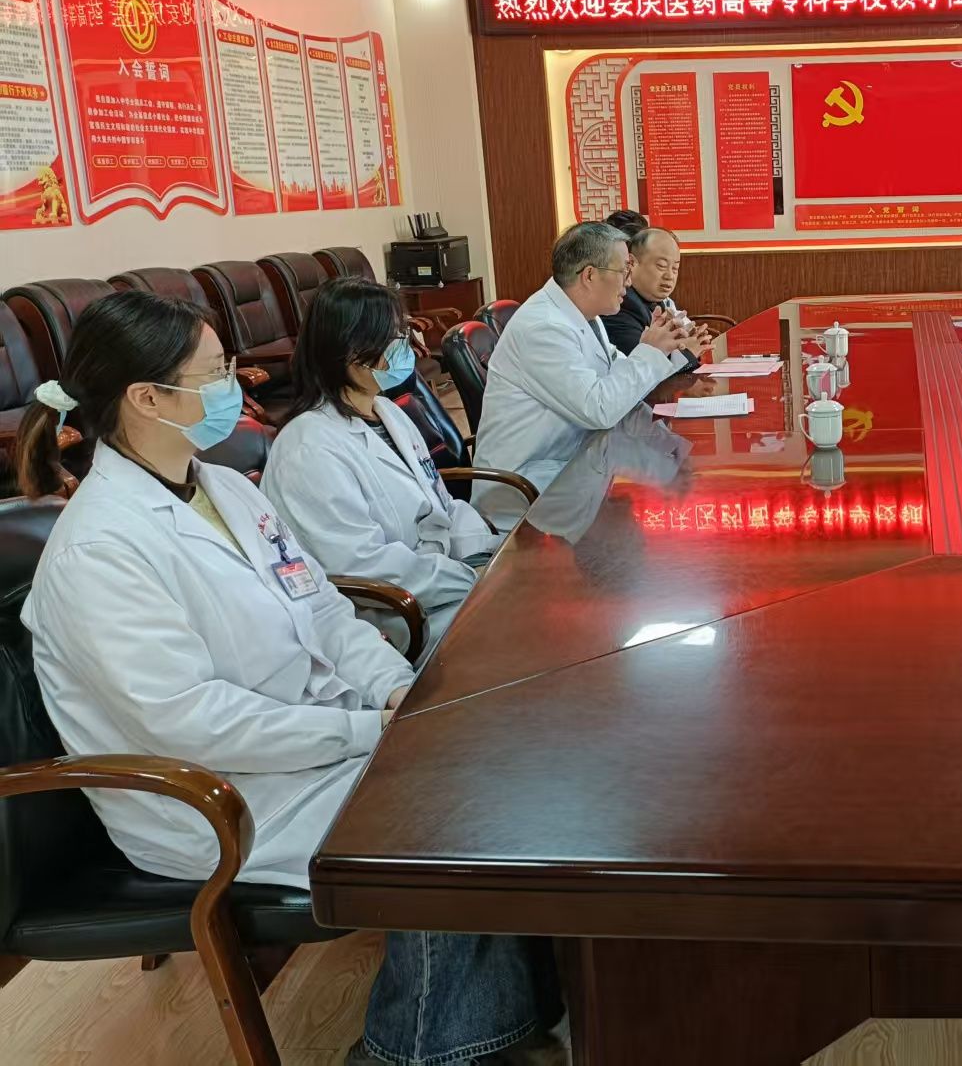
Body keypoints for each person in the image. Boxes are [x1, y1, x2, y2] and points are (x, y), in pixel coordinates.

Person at [12, 291, 560, 1066]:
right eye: (213, 373)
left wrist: (393, 688)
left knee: (498, 759)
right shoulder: (99, 549)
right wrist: (365, 729)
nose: (236, 385)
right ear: (147, 398)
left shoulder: (226, 489)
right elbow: (190, 720)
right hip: (211, 795)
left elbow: (326, 610)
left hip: (296, 743)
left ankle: (501, 1017)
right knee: (442, 809)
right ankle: (416, 1050)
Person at [262, 278, 501, 657]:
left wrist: (489, 554)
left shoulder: (387, 411)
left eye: (402, 334)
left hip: (445, 578)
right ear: (350, 353)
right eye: (392, 339)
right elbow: (365, 566)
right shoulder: (307, 450)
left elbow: (441, 503)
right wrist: (471, 578)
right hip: (396, 616)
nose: (406, 347)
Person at [472, 222, 708, 526]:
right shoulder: (543, 328)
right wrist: (650, 351)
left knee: (656, 505)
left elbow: (619, 378)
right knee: (642, 529)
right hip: (527, 487)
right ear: (590, 275)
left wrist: (674, 456)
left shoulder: (583, 315)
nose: (628, 282)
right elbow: (598, 409)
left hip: (573, 465)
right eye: (623, 271)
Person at [604, 226, 706, 372]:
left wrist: (692, 340)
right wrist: (687, 353)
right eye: (661, 266)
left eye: (675, 268)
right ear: (632, 263)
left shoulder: (658, 302)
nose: (669, 276)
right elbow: (643, 370)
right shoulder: (619, 305)